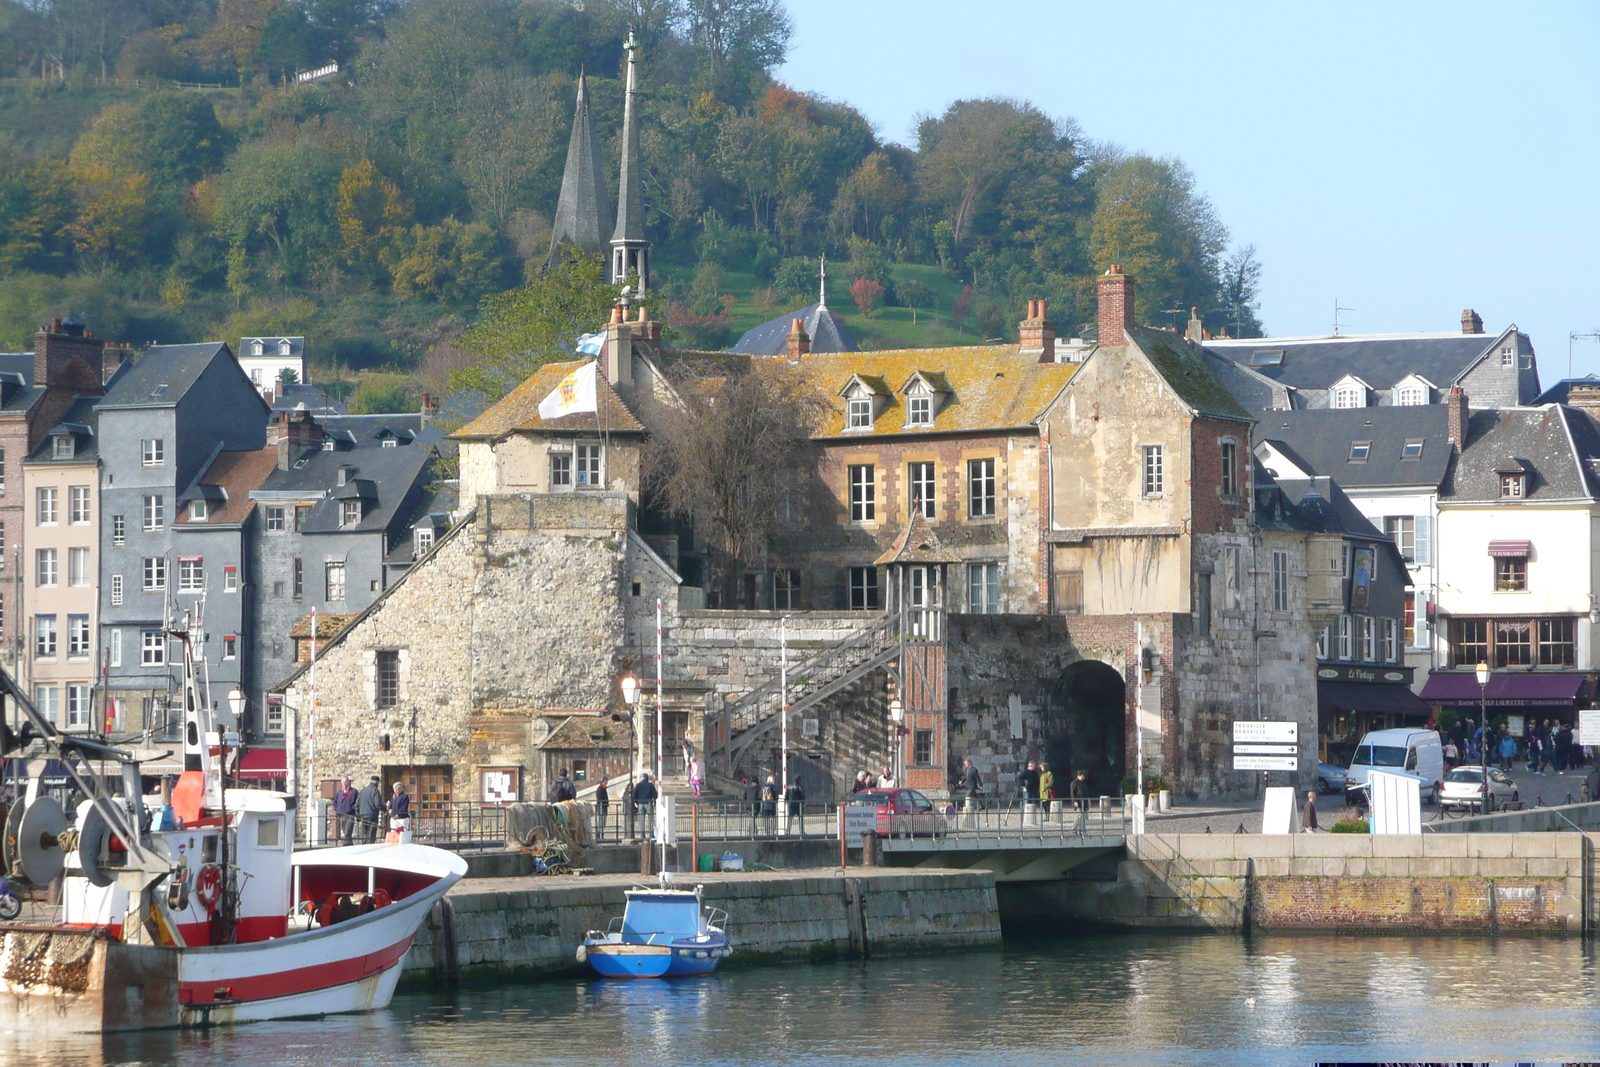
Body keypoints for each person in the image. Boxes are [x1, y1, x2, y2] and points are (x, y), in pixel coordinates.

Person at [356, 775, 385, 844]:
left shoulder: (363, 790)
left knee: (364, 835)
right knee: (371, 836)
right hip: (372, 815)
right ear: (377, 783)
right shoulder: (375, 791)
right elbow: (377, 804)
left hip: (363, 815)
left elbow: (357, 803)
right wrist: (384, 808)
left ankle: (364, 849)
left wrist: (357, 814)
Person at [332, 776, 358, 846]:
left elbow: (357, 803)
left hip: (350, 815)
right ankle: (350, 844)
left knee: (348, 831)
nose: (345, 784)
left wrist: (352, 809)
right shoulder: (339, 793)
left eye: (346, 782)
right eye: (343, 782)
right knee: (344, 830)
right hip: (342, 815)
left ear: (349, 782)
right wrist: (337, 810)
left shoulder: (354, 792)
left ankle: (345, 844)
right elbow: (335, 802)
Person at [633, 773, 658, 839]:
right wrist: (653, 800)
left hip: (640, 804)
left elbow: (634, 794)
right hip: (648, 803)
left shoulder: (638, 785)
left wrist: (636, 802)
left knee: (641, 819)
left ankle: (642, 834)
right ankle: (651, 833)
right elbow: (655, 795)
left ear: (642, 778)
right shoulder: (651, 785)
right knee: (650, 819)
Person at [595, 775, 611, 840]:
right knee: (602, 821)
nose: (607, 781)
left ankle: (600, 834)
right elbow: (599, 798)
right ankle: (599, 835)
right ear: (604, 781)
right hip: (602, 807)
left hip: (603, 807)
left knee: (603, 821)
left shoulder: (603, 788)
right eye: (607, 780)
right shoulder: (600, 788)